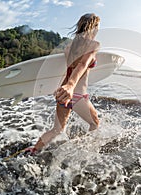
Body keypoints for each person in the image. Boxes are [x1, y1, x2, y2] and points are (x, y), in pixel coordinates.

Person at [25, 13, 101, 154]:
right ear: (93, 27)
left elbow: (68, 68)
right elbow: (83, 65)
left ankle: (34, 150)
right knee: (95, 124)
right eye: (97, 27)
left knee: (57, 130)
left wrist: (66, 86)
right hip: (77, 95)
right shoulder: (94, 45)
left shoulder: (69, 47)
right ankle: (86, 152)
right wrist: (71, 85)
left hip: (62, 93)